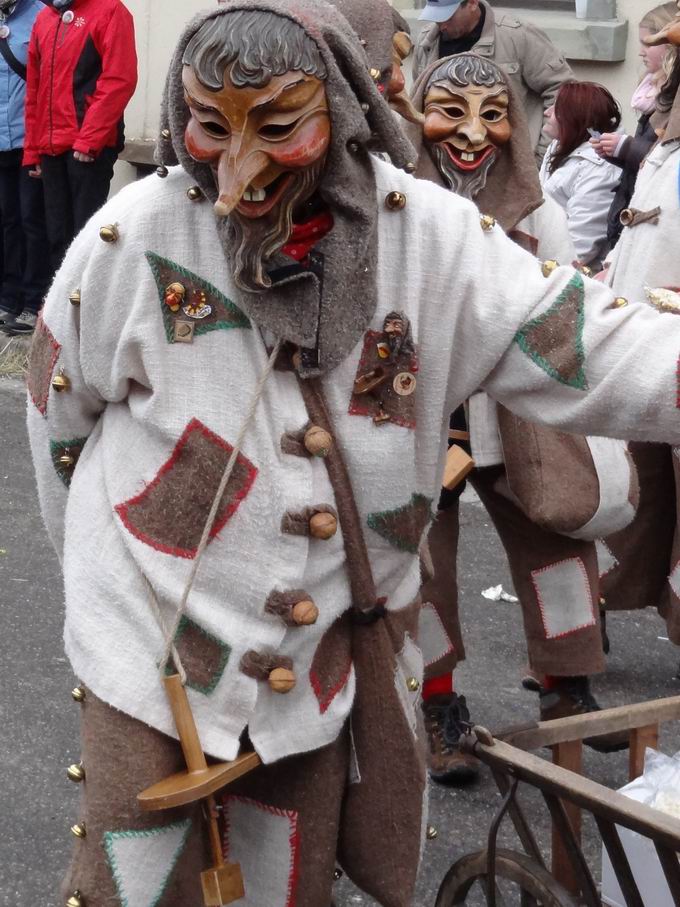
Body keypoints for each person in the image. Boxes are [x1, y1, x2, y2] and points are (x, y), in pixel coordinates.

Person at [26, 2, 680, 904]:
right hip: (150, 652)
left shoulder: (430, 237)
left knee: (283, 875)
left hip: (320, 662)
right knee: (138, 882)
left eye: (280, 126)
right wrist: (96, 588)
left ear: (337, 107)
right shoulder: (134, 233)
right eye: (209, 126)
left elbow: (581, 341)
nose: (238, 170)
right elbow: (57, 421)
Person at [409, 52, 633, 782]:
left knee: (555, 544)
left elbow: (564, 307)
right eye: (450, 110)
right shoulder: (396, 207)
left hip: (518, 413)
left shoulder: (542, 211)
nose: (473, 133)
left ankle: (567, 683)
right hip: (423, 416)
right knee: (421, 569)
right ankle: (436, 703)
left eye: (493, 113)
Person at [597, 9, 680, 660]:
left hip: (669, 340)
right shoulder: (666, 150)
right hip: (640, 339)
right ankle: (598, 599)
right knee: (634, 486)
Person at [23, 0, 138, 275]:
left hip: (88, 148)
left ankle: (89, 310)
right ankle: (59, 311)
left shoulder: (110, 11)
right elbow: (35, 91)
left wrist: (90, 139)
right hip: (51, 146)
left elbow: (119, 79)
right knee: (57, 236)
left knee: (86, 235)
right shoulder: (44, 18)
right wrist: (33, 150)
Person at [412, 0, 573, 163]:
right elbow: (417, 104)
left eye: (448, 16)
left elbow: (564, 90)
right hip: (444, 165)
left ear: (472, 3)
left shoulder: (518, 36)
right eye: (435, 16)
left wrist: (542, 158)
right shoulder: (427, 42)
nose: (441, 25)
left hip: (508, 166)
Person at [591, 3, 677, 252]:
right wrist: (615, 152)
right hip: (629, 209)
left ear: (671, 45)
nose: (640, 52)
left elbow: (667, 161)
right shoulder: (652, 92)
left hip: (650, 218)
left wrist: (626, 147)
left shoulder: (673, 99)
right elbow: (642, 163)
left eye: (648, 43)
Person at [0, 0, 50, 336]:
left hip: (29, 139)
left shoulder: (42, 16)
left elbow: (50, 85)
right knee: (7, 221)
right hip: (1, 143)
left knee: (33, 221)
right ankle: (8, 298)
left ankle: (34, 302)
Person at [540, 81, 623, 270]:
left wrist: (535, 271)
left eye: (557, 108)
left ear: (574, 118)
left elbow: (579, 247)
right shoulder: (559, 146)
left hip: (571, 277)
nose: (547, 112)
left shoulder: (601, 169)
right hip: (543, 260)